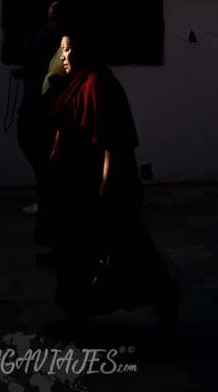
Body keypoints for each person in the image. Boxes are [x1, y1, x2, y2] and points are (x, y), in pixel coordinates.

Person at [43, 29, 179, 336]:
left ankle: (164, 299)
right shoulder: (78, 83)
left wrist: (105, 186)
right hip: (78, 183)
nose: (63, 57)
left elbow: (111, 141)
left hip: (101, 185)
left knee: (126, 248)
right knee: (76, 252)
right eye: (61, 51)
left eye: (69, 50)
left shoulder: (98, 84)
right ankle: (77, 313)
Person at [17, 1, 67, 216]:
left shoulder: (44, 40)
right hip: (42, 105)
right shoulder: (54, 41)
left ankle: (48, 200)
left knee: (41, 153)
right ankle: (49, 198)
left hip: (43, 107)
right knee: (41, 152)